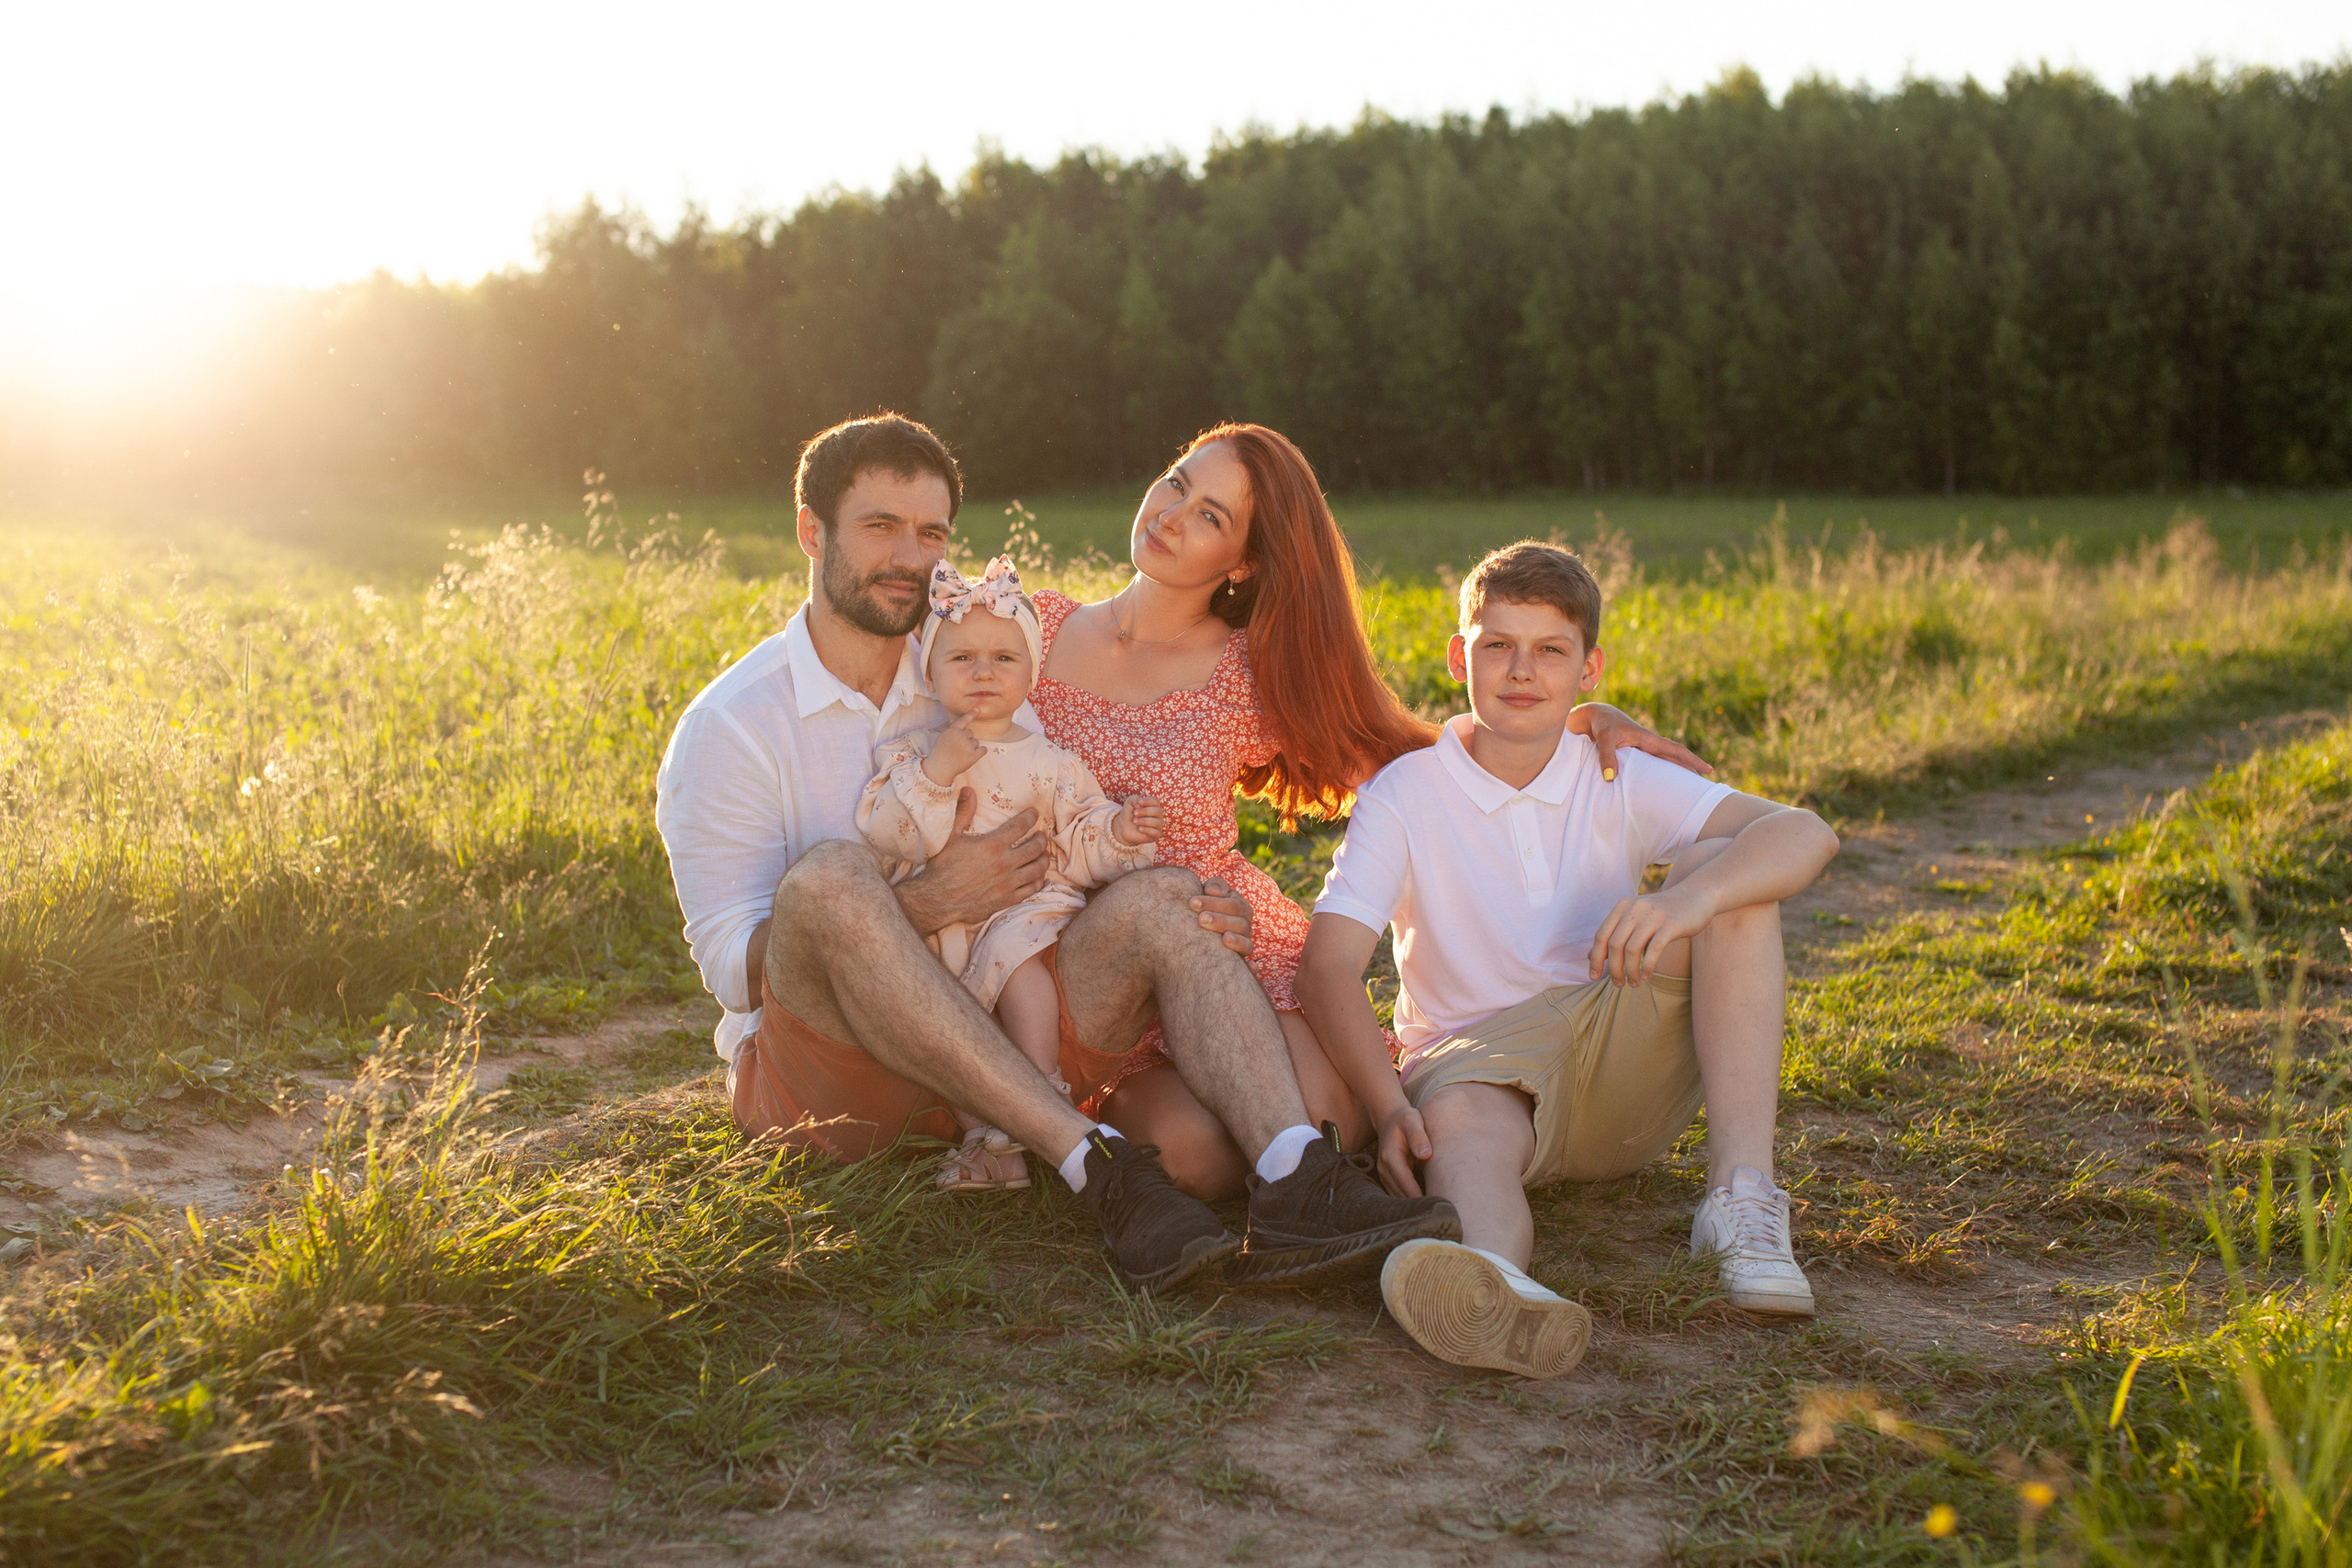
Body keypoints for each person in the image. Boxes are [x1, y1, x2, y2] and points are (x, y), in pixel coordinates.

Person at [654, 413, 1458, 1296]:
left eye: (930, 535)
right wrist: (929, 900)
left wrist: (1568, 724)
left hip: (1018, 1030)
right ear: (812, 532)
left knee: (1162, 892)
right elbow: (735, 970)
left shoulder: (974, 662)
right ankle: (1093, 1160)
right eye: (878, 527)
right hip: (845, 1079)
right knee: (831, 877)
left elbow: (1072, 816)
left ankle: (1297, 1182)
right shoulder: (731, 725)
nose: (908, 559)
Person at [1028, 424, 1711, 1202]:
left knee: (1318, 1116)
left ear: (1243, 562)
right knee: (1181, 1152)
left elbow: (1426, 766)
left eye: (1213, 516)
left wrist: (1578, 721)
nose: (1172, 513)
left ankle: (1293, 1160)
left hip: (1225, 943)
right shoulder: (1033, 631)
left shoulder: (1245, 666)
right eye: (1178, 481)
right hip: (1082, 955)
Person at [1297, 540, 1840, 1380]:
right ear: (1459, 656)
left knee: (1732, 881)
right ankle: (1497, 1289)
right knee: (1466, 1133)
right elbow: (1327, 965)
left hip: (1616, 1040)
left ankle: (1742, 1200)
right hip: (1478, 1067)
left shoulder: (1615, 768)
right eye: (1498, 646)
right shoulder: (1405, 792)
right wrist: (1385, 1103)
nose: (1522, 671)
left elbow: (1807, 832)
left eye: (1551, 649)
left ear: (1590, 670)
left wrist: (1681, 900)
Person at [856, 556, 1165, 1193]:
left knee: (1021, 964)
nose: (983, 673)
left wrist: (1118, 832)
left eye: (1003, 658)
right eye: (961, 658)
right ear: (932, 673)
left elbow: (1078, 839)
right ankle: (986, 1139)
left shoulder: (1051, 762)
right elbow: (888, 832)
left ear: (1029, 673)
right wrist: (938, 772)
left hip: (1028, 906)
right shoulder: (913, 754)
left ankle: (1040, 1097)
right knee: (945, 1015)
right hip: (947, 925)